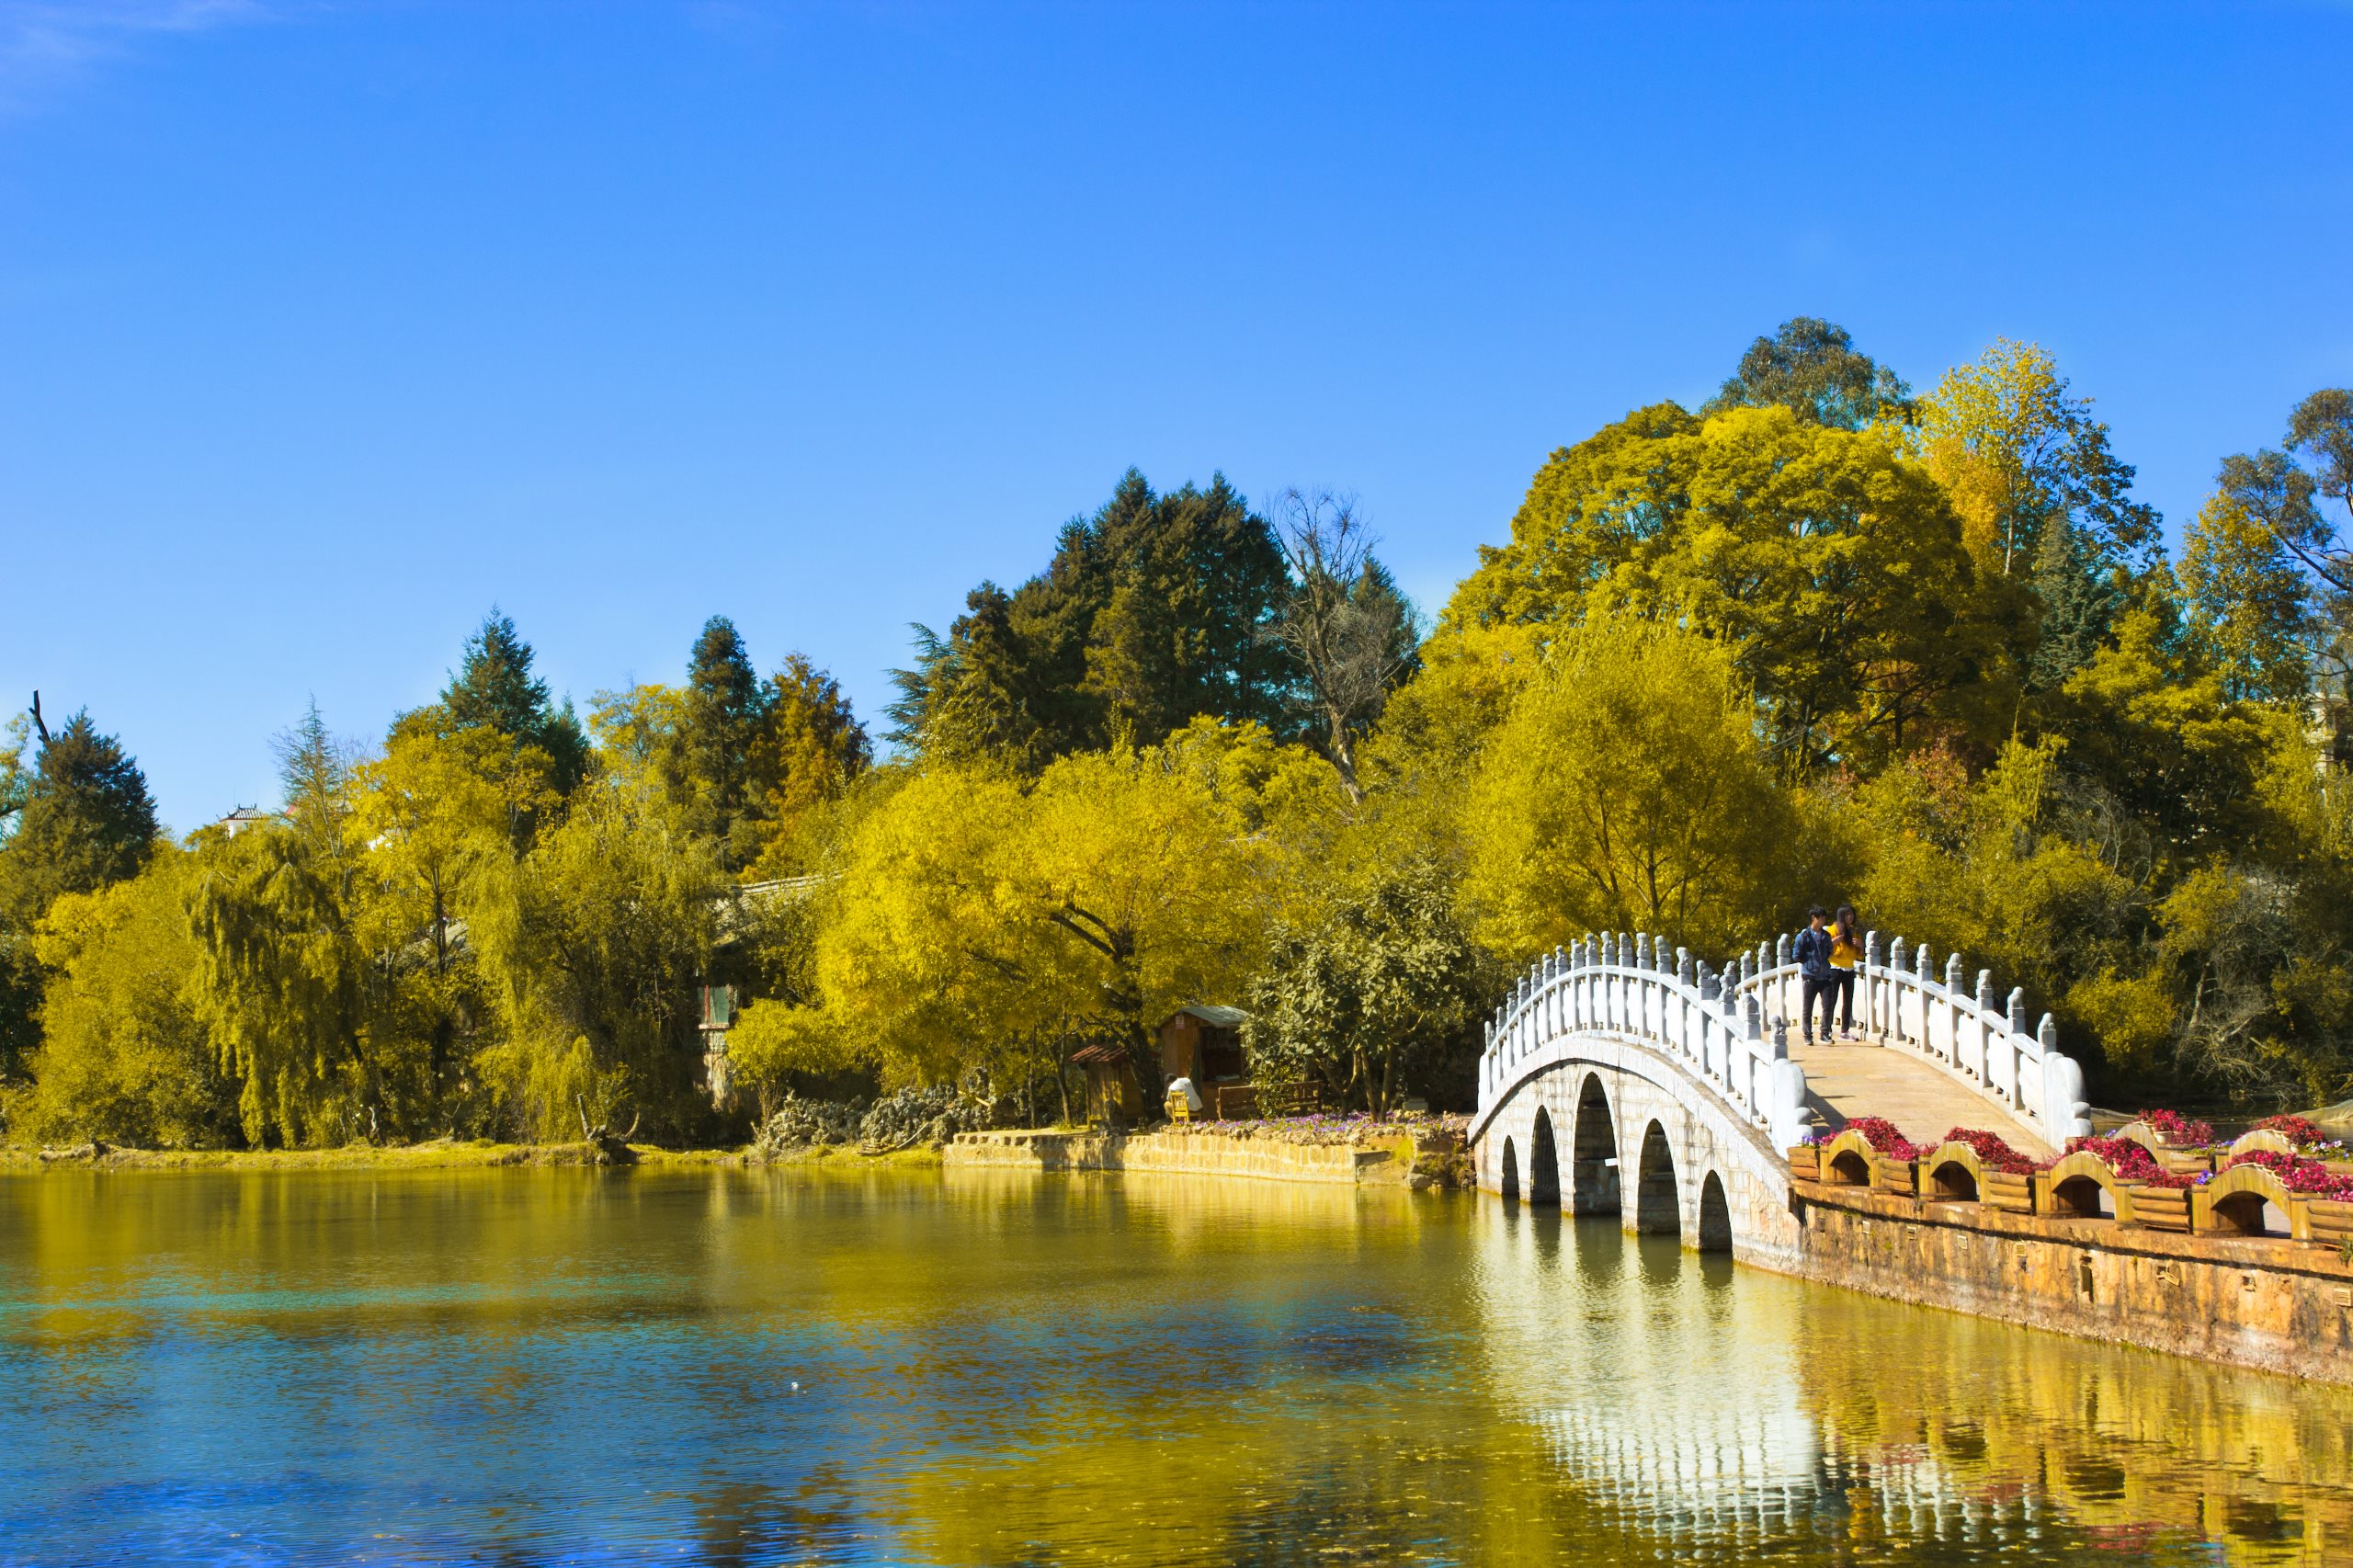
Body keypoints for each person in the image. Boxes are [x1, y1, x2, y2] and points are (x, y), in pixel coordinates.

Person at [1793, 906, 1836, 1045]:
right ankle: (1807, 1034)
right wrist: (1808, 963)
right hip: (1810, 976)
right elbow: (1796, 955)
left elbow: (1830, 951)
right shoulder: (1804, 936)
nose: (1824, 920)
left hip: (1825, 975)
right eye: (1821, 918)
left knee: (1828, 1006)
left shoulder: (1826, 936)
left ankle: (1825, 1033)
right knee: (1808, 1007)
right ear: (1814, 918)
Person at [1828, 903, 1864, 1040]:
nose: (1850, 917)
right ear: (1841, 916)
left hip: (1849, 969)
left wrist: (1861, 947)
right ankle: (1827, 1029)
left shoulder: (1853, 931)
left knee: (1848, 1000)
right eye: (1847, 914)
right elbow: (1826, 950)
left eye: (1851, 914)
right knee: (1831, 1000)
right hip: (1835, 968)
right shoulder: (1832, 930)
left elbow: (1859, 955)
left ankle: (1845, 1030)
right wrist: (1833, 942)